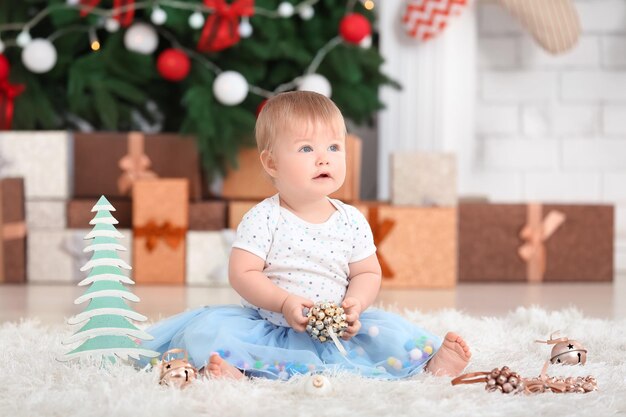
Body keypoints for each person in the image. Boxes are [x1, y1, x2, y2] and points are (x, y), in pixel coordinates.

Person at [141, 91, 471, 380]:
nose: (324, 157)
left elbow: (367, 271)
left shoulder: (351, 220)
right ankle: (234, 370)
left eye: (333, 146)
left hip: (339, 329)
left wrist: (355, 304)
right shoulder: (264, 218)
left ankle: (431, 366)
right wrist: (283, 303)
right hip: (272, 327)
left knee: (394, 335)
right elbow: (242, 273)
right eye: (306, 149)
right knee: (211, 333)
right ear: (272, 162)